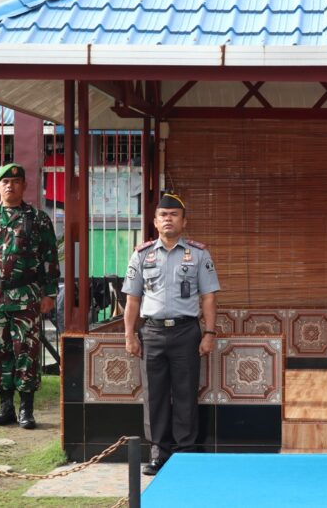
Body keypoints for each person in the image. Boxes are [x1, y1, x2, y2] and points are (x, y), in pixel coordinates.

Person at [123, 193, 220, 476]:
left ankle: (186, 453)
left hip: (186, 331)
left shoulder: (199, 254)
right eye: (163, 215)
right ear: (155, 222)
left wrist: (209, 332)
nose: (168, 219)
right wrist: (129, 335)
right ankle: (159, 454)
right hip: (151, 332)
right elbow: (132, 300)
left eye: (174, 214)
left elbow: (209, 297)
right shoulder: (141, 254)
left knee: (185, 393)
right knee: (154, 395)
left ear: (184, 221)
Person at [0, 162, 59, 430]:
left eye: (15, 181)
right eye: (5, 182)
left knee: (27, 352)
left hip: (27, 296)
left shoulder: (37, 219)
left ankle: (27, 408)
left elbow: (50, 258)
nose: (10, 185)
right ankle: (6, 407)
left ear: (24, 186)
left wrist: (49, 293)